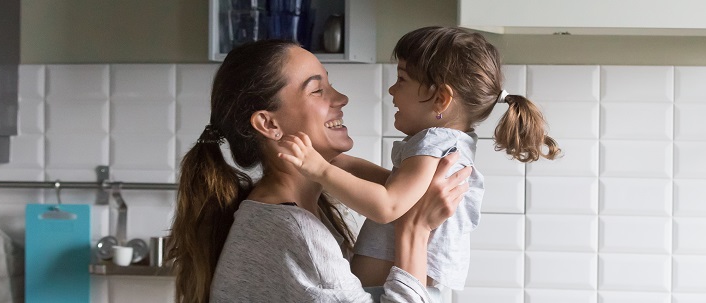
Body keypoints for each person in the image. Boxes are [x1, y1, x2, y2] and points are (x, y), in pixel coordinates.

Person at [167, 38, 472, 303]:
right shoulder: (294, 230)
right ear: (269, 124)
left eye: (330, 84)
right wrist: (415, 230)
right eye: (317, 90)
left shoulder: (300, 214)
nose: (341, 98)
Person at [279, 26, 562, 291]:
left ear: (441, 99)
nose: (392, 90)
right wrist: (348, 165)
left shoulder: (434, 141)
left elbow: (388, 206)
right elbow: (403, 189)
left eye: (402, 79)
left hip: (387, 289)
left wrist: (318, 169)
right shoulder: (451, 143)